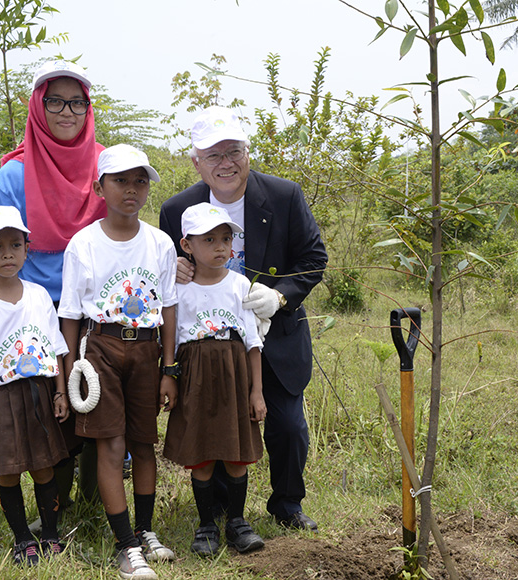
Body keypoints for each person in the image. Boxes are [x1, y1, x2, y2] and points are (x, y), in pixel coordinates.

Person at [159, 106, 329, 532]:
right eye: (213, 156)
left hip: (276, 334)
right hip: (209, 346)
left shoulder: (284, 196)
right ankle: (219, 508)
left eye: (233, 151)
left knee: (287, 425)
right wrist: (174, 268)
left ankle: (287, 503)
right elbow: (166, 269)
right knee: (216, 420)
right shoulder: (178, 208)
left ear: (247, 153)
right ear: (196, 162)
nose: (226, 164)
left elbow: (313, 259)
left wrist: (280, 296)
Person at [0, 59, 108, 513]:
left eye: (77, 102)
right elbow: (1, 251)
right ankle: (55, 507)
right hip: (38, 311)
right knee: (47, 409)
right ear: (38, 106)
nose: (66, 111)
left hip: (97, 310)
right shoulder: (13, 176)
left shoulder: (104, 167)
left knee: (95, 399)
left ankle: (98, 503)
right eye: (54, 100)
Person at [58, 144, 177, 580]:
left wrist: (170, 368)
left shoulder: (159, 242)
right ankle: (125, 545)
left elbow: (168, 307)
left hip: (146, 349)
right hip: (101, 348)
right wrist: (68, 373)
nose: (132, 189)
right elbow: (70, 314)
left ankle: (145, 531)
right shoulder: (84, 243)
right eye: (121, 181)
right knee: (111, 444)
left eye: (140, 180)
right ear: (100, 187)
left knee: (144, 443)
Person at [0, 205, 70, 566]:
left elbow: (54, 344)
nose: (7, 254)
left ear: (27, 247)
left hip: (38, 392)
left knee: (43, 466)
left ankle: (50, 533)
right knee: (8, 470)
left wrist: (59, 390)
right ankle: (23, 538)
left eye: (15, 244)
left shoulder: (38, 295)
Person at [163, 202, 266, 557]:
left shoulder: (240, 285)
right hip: (196, 378)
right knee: (202, 454)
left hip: (235, 376)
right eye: (210, 240)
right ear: (187, 245)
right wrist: (170, 377)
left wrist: (257, 391)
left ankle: (237, 522)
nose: (222, 247)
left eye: (226, 238)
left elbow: (253, 343)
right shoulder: (178, 289)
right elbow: (172, 342)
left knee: (236, 454)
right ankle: (206, 524)